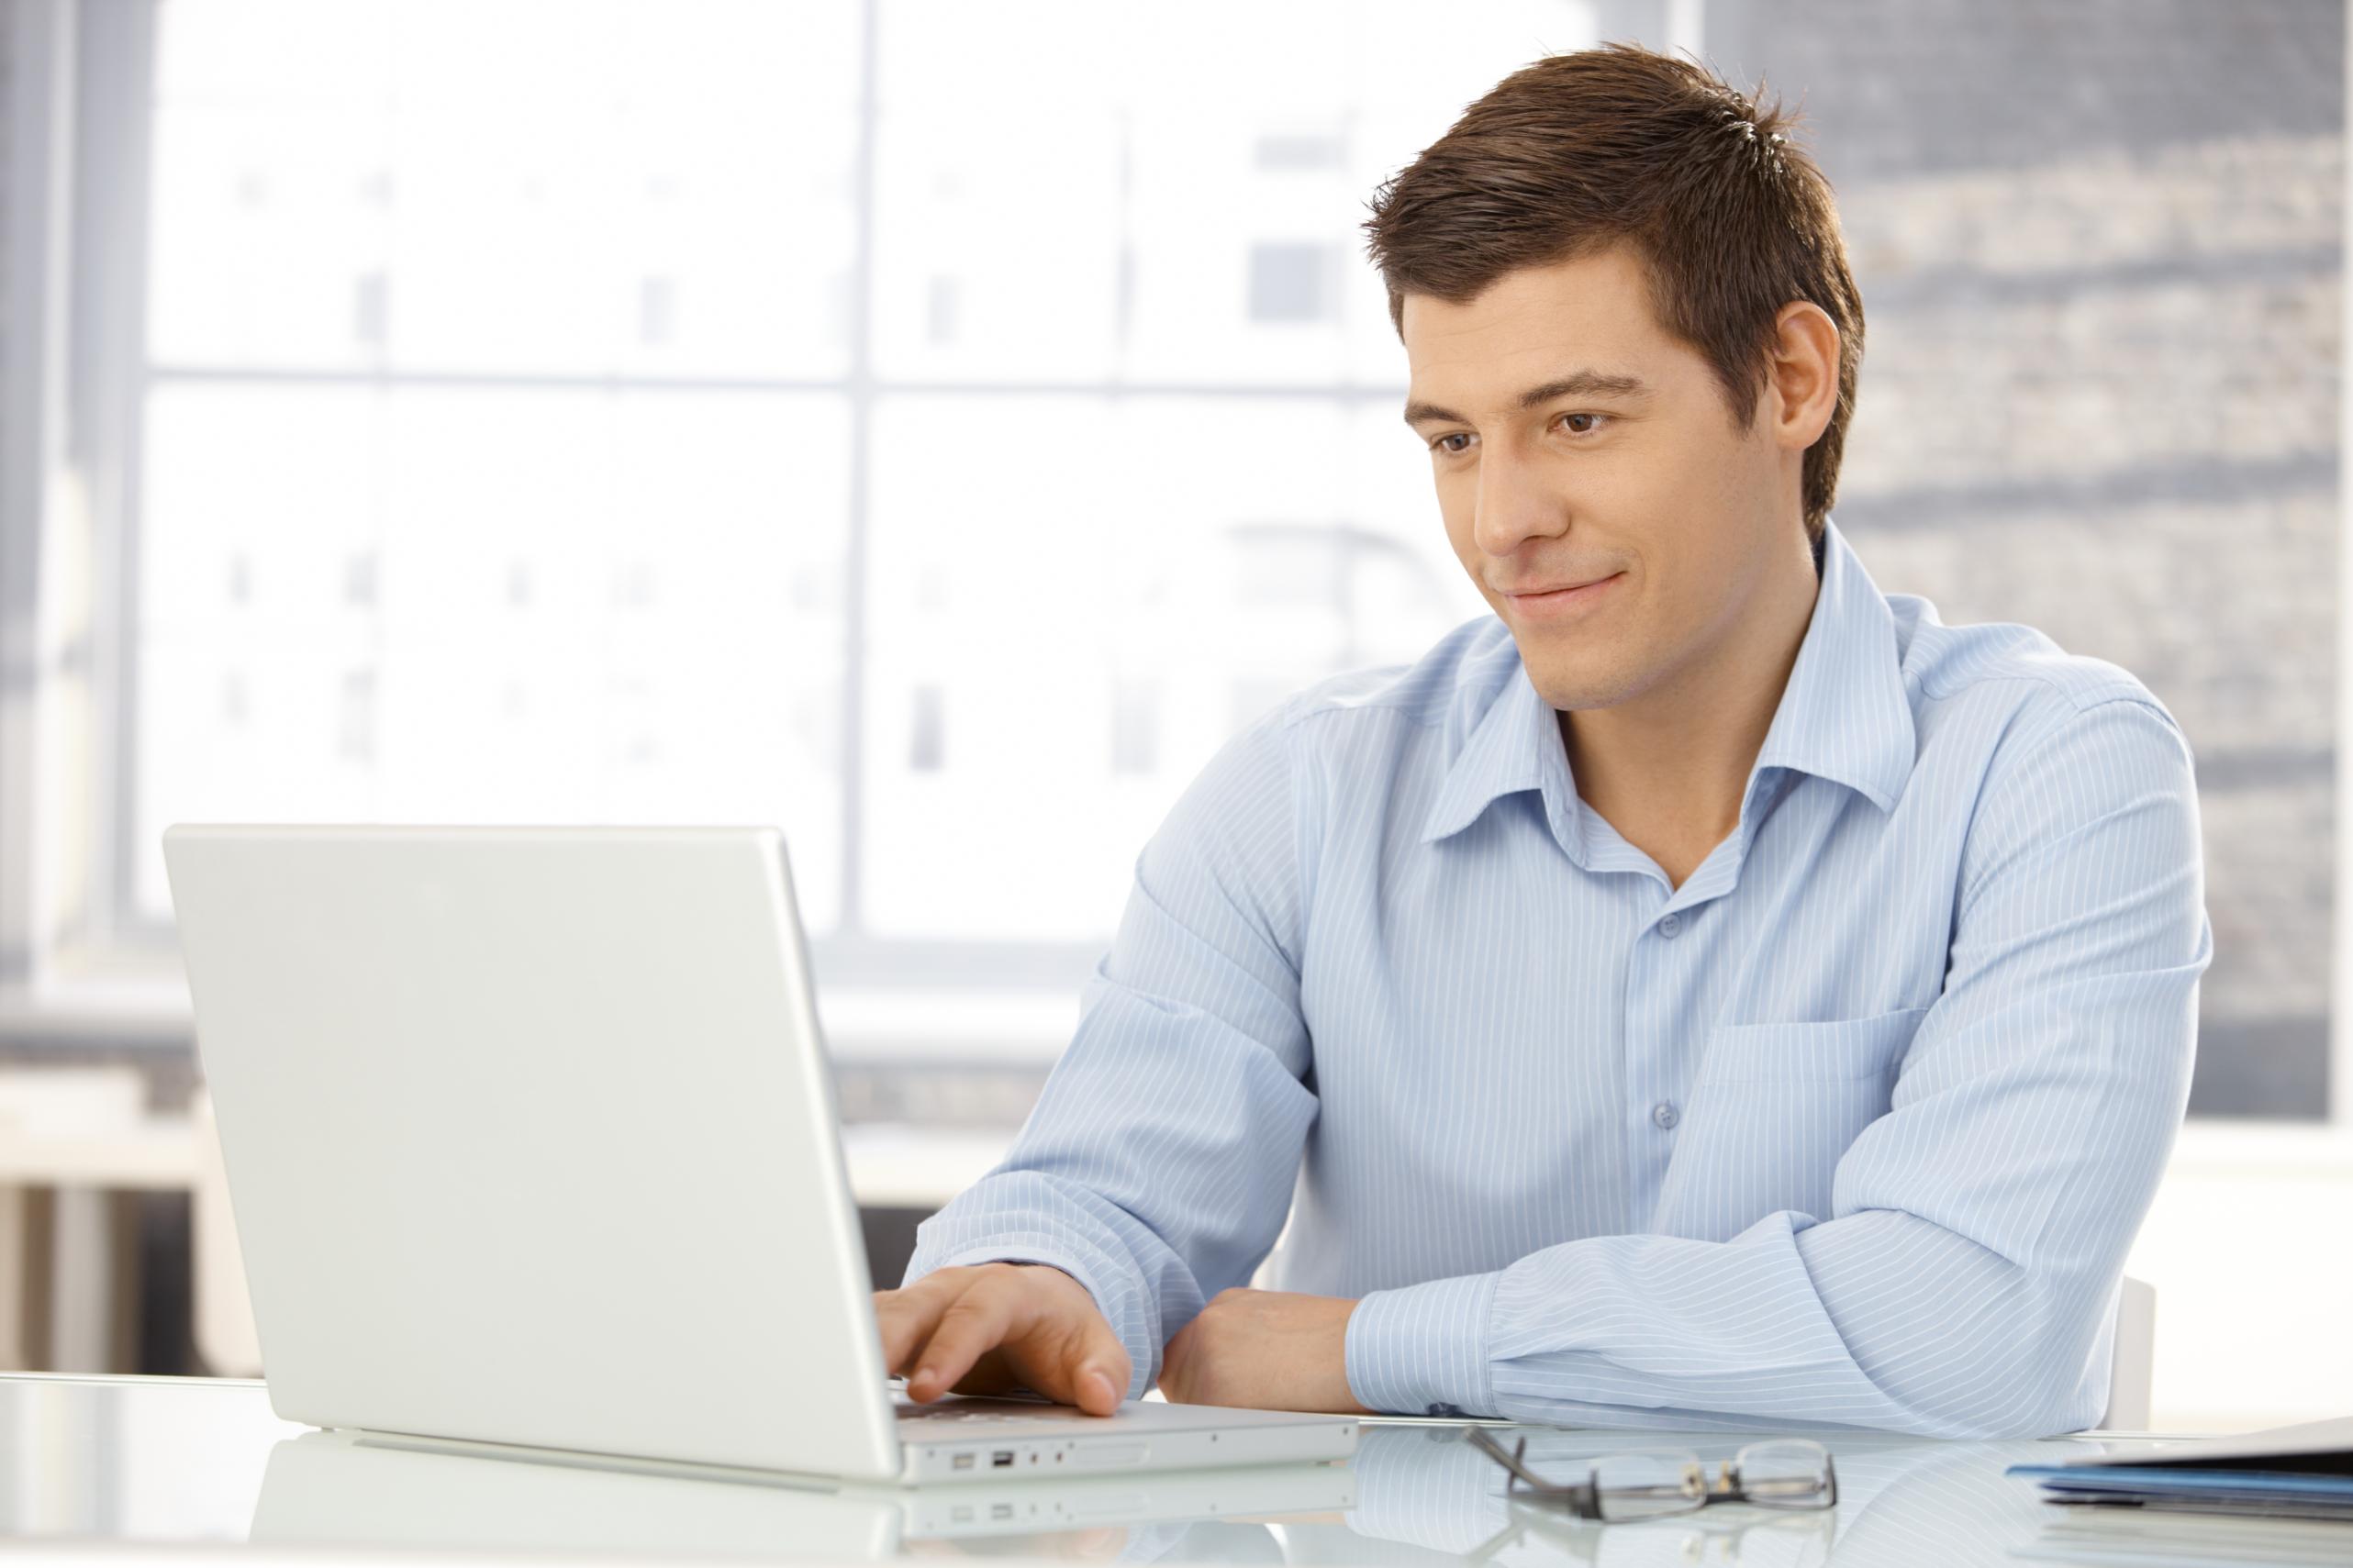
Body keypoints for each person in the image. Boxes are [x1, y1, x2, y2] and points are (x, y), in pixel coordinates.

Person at [873, 42, 2211, 1440]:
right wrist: (1036, 1278)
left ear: (1793, 380)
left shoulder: (2052, 773)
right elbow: (1106, 1188)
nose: (1502, 521)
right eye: (1453, 440)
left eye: (1576, 421)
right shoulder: (1310, 792)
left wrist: (1374, 1346)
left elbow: (1965, 1330)